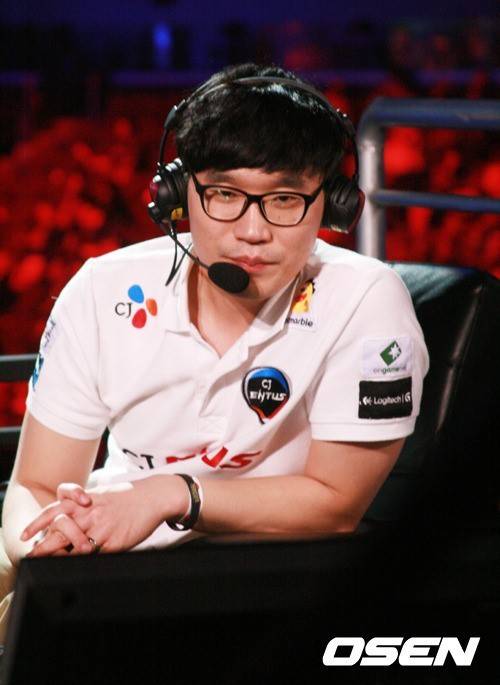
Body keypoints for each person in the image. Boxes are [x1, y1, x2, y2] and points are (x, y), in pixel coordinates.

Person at [0, 63, 428, 621]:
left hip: (269, 593)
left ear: (333, 203)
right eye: (224, 194)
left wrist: (169, 495)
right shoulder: (102, 290)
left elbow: (335, 504)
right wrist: (49, 547)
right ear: (179, 195)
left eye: (285, 199)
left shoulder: (366, 300)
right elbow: (34, 483)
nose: (253, 231)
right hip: (107, 575)